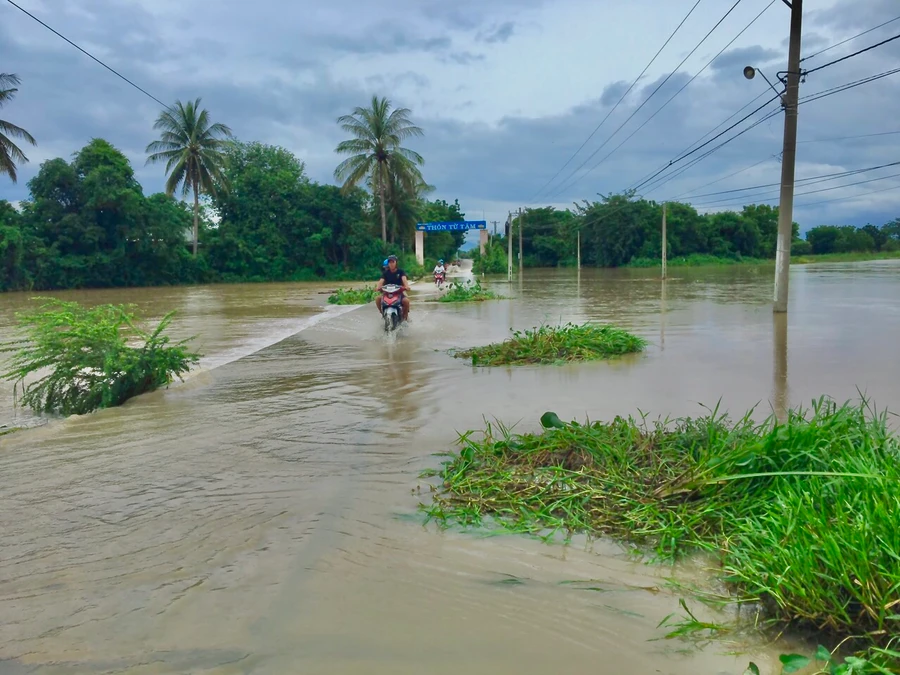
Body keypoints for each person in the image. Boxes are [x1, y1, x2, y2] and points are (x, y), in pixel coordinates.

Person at [375, 254, 410, 321]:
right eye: (389, 262)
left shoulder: (401, 272)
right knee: (377, 299)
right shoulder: (385, 273)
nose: (391, 264)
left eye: (393, 262)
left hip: (398, 293)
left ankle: (405, 316)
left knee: (406, 301)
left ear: (396, 262)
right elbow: (381, 281)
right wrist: (378, 287)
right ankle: (382, 313)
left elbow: (404, 279)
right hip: (387, 293)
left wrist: (406, 286)